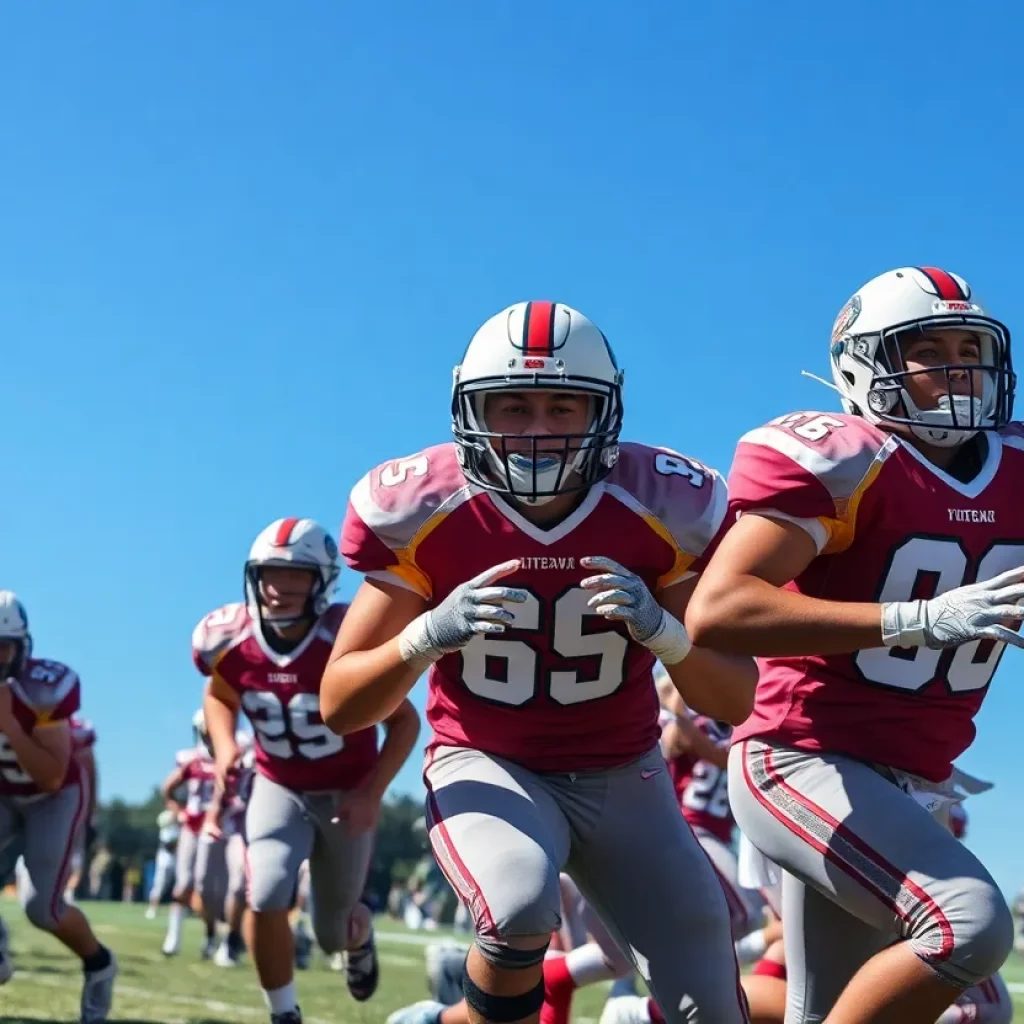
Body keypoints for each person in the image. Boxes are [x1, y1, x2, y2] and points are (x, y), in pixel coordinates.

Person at [324, 301, 757, 1024]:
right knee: (520, 904)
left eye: (563, 406)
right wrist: (427, 634)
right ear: (472, 408)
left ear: (603, 415)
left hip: (625, 771)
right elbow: (342, 704)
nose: (536, 429)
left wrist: (662, 631)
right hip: (488, 759)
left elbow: (738, 697)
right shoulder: (425, 506)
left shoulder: (662, 503)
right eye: (513, 404)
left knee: (710, 996)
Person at [686, 267, 1023, 1022]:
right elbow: (720, 607)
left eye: (970, 345)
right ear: (865, 365)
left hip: (912, 778)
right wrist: (917, 619)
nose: (958, 365)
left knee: (844, 1008)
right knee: (968, 926)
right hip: (801, 757)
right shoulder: (849, 460)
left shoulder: (1018, 470)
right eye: (929, 349)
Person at [196, 517, 420, 1024]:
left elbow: (404, 723)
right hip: (280, 784)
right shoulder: (229, 639)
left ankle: (359, 941)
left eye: (295, 575)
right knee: (267, 891)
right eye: (271, 574)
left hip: (345, 790)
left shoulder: (345, 635)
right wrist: (226, 746)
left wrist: (371, 793)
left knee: (331, 933)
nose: (279, 589)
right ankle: (283, 1013)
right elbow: (218, 694)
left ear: (323, 580)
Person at [0, 591, 117, 1021]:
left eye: (0, 648)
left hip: (53, 795)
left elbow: (50, 773)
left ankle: (99, 963)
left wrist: (10, 724)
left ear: (21, 648)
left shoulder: (45, 688)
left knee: (42, 909)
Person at [159, 710, 223, 958]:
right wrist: (179, 811)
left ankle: (209, 935)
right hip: (192, 827)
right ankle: (172, 939)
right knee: (183, 883)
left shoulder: (228, 757)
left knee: (207, 889)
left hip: (217, 828)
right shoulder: (192, 760)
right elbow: (168, 789)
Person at [145, 807, 180, 919]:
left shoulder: (179, 826)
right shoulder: (168, 829)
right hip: (166, 861)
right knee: (159, 885)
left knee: (181, 886)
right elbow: (169, 845)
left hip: (178, 861)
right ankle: (153, 908)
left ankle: (179, 911)